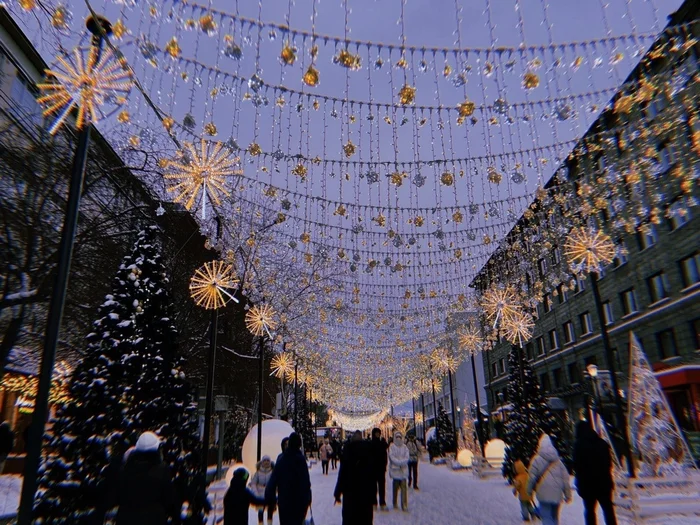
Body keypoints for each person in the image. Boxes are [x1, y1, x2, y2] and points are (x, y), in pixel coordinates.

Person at [116, 431, 175, 525]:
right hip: (154, 519)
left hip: (127, 518)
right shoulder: (162, 470)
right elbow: (169, 498)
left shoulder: (127, 468)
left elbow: (117, 494)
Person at [573, 420, 618, 525]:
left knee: (589, 511)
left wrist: (580, 484)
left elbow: (577, 466)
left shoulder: (578, 445)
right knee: (608, 510)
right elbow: (609, 463)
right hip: (604, 483)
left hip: (587, 485)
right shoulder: (602, 443)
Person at [265, 433, 311, 525]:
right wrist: (308, 498)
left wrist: (271, 499)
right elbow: (305, 482)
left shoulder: (282, 459)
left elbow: (273, 481)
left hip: (284, 501)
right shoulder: (300, 460)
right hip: (299, 501)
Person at [527, 434, 572, 525]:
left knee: (546, 517)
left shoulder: (536, 460)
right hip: (557, 494)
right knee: (555, 517)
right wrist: (568, 495)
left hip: (543, 494)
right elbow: (566, 480)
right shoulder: (558, 461)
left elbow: (532, 477)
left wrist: (529, 490)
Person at [334, 430, 375, 525]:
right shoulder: (368, 451)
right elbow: (372, 475)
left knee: (350, 519)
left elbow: (342, 474)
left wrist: (338, 492)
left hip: (350, 492)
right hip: (365, 493)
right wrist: (373, 495)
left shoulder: (348, 451)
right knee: (365, 519)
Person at [388, 431, 410, 512]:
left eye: (399, 437)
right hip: (396, 470)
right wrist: (399, 462)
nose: (398, 439)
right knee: (395, 488)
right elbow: (391, 457)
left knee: (404, 488)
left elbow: (407, 457)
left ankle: (404, 504)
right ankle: (394, 502)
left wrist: (401, 462)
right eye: (397, 437)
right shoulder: (392, 447)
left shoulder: (405, 447)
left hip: (403, 470)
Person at [250, 455, 276, 524]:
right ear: (262, 462)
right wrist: (255, 492)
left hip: (270, 494)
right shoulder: (258, 473)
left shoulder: (273, 472)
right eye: (265, 460)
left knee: (270, 511)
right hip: (260, 494)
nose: (266, 462)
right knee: (260, 511)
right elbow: (253, 483)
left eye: (268, 460)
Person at [369, 428, 388, 510]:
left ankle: (382, 502)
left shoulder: (382, 443)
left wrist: (385, 465)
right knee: (373, 487)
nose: (378, 434)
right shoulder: (371, 443)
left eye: (378, 433)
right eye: (376, 433)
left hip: (381, 468)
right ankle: (374, 502)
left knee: (382, 486)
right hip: (373, 468)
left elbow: (385, 454)